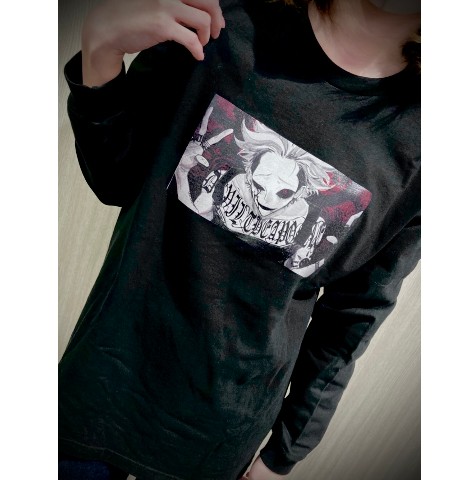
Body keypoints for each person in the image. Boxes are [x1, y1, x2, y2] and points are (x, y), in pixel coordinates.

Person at [59, 0, 420, 479]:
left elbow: (352, 317)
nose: (268, 199)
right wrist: (100, 52)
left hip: (216, 441)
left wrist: (283, 453)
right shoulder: (218, 17)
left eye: (282, 193)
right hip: (101, 388)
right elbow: (116, 179)